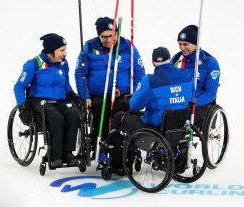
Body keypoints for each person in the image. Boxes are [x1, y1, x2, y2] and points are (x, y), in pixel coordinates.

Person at [107, 46, 194, 175]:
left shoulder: (150, 80)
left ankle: (118, 162)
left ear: (153, 63)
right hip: (179, 124)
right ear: (170, 59)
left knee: (121, 116)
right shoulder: (187, 75)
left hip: (155, 127)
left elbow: (135, 105)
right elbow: (191, 97)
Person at [14, 33, 82, 168]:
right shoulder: (33, 64)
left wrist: (73, 96)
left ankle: (68, 153)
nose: (65, 53)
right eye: (62, 50)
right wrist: (22, 107)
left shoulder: (63, 63)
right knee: (56, 117)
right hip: (39, 100)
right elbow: (19, 87)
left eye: (65, 49)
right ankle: (56, 155)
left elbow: (66, 84)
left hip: (60, 100)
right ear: (51, 51)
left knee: (73, 113)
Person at [75, 16, 145, 143]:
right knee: (101, 110)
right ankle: (99, 141)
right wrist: (85, 96)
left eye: (112, 35)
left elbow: (139, 72)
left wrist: (135, 93)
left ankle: (117, 144)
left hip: (122, 94)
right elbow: (80, 73)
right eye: (104, 37)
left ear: (117, 33)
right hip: (97, 96)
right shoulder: (89, 46)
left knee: (122, 110)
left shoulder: (128, 46)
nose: (109, 40)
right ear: (98, 36)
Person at [171, 25, 221, 124]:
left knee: (176, 118)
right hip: (176, 102)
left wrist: (192, 102)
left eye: (185, 44)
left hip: (198, 105)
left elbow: (210, 93)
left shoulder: (210, 62)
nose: (182, 48)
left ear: (195, 43)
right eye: (180, 44)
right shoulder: (176, 59)